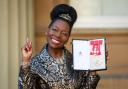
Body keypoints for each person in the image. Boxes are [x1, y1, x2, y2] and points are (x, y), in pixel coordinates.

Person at [18, 4, 101, 89]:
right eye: (55, 29)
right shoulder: (34, 64)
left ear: (68, 37)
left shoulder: (76, 61)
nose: (58, 35)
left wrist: (93, 71)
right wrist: (25, 62)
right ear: (48, 30)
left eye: (64, 33)